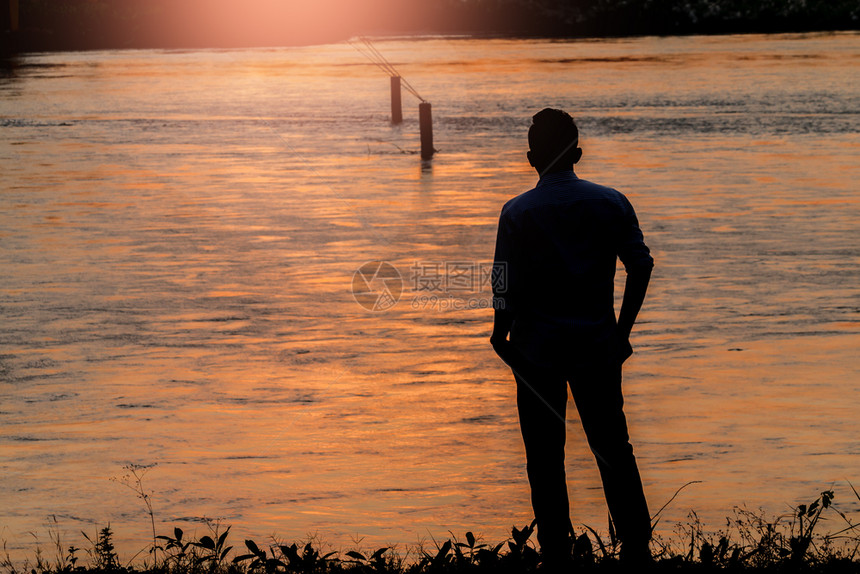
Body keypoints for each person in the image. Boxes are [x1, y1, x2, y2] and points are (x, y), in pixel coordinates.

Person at [490, 108, 653, 569]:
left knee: (544, 457)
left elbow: (504, 285)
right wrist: (621, 332)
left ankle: (556, 556)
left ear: (529, 158)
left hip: (536, 351)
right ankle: (637, 551)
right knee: (613, 450)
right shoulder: (611, 201)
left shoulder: (518, 211)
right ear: (578, 153)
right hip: (597, 347)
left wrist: (500, 334)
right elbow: (640, 265)